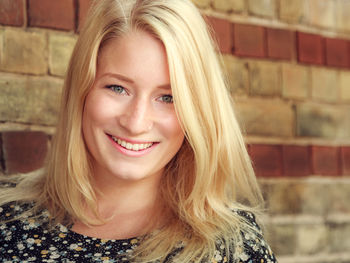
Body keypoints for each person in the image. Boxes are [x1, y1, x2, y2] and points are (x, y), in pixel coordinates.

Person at [0, 0, 277, 262]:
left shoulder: (233, 248)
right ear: (81, 91)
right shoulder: (7, 216)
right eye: (117, 88)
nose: (136, 123)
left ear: (198, 112)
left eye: (168, 98)